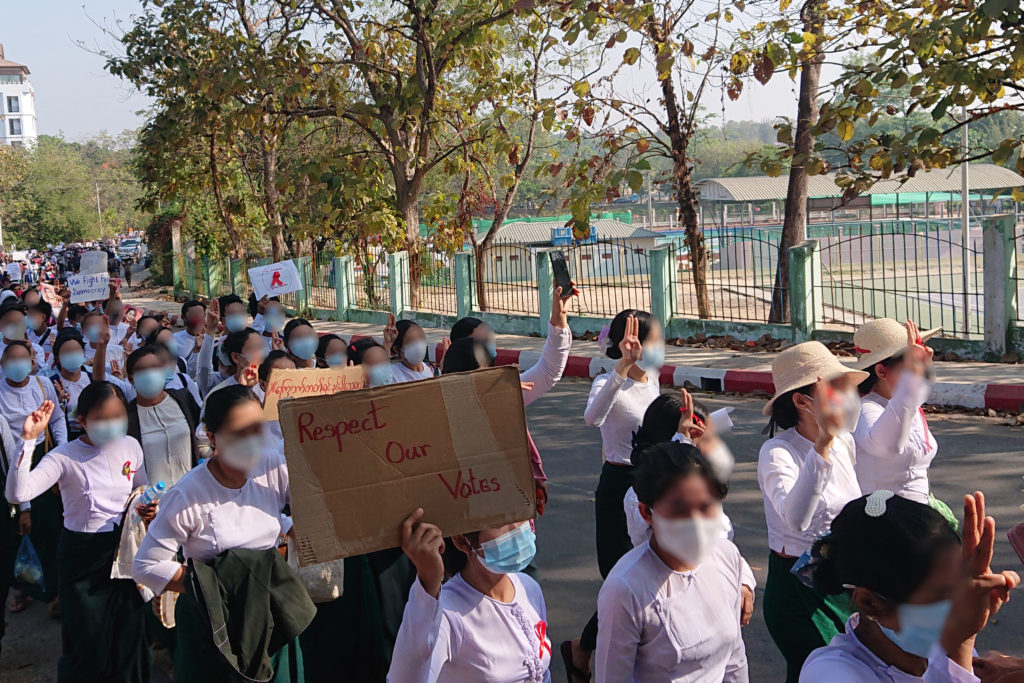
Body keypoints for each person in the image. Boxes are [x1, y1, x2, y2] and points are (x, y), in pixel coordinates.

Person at [133, 384, 307, 682]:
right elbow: (146, 566)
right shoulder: (188, 494)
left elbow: (308, 512)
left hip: (270, 608)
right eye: (239, 433)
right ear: (213, 438)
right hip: (216, 621)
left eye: (257, 429)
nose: (251, 442)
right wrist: (212, 588)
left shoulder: (273, 465)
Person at [6, 387, 152, 682]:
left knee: (129, 637)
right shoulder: (65, 457)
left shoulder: (131, 446)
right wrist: (28, 440)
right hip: (82, 555)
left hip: (124, 550)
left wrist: (149, 505)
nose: (112, 424)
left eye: (118, 416)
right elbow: (17, 492)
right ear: (82, 420)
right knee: (87, 642)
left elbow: (142, 488)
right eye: (102, 418)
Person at [800, 491, 1020, 682]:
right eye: (940, 596)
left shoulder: (937, 643)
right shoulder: (830, 674)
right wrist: (959, 646)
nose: (961, 606)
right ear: (870, 602)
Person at [757, 341, 867, 682]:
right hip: (796, 587)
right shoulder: (777, 453)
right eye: (832, 389)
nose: (844, 397)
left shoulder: (844, 441)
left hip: (840, 577)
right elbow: (797, 517)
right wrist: (821, 446)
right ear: (802, 401)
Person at [594, 441, 749, 682]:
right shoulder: (625, 589)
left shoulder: (726, 556)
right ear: (647, 513)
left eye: (706, 508)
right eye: (680, 510)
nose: (696, 523)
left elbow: (734, 658)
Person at [565, 310, 664, 679]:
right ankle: (585, 647)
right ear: (627, 343)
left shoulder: (654, 379)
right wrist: (621, 369)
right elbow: (593, 418)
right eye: (652, 341)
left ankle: (598, 647)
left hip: (650, 482)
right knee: (617, 577)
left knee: (650, 571)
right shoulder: (608, 381)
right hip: (617, 483)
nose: (656, 349)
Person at [387, 510, 551, 682]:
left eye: (520, 513)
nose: (516, 528)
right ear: (461, 541)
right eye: (499, 522)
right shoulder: (448, 614)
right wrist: (428, 579)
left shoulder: (528, 587)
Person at [851, 318, 956, 524]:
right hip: (884, 527)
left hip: (915, 521)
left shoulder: (906, 405)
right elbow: (886, 446)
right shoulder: (865, 410)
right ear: (881, 371)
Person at [124, 346, 200, 487]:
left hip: (190, 493)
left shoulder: (182, 399)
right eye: (142, 370)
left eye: (155, 368)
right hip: (153, 503)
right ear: (131, 379)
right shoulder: (127, 417)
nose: (150, 374)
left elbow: (202, 435)